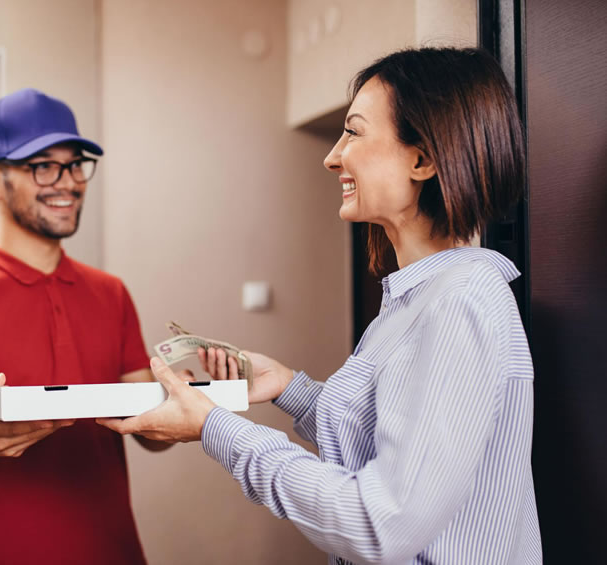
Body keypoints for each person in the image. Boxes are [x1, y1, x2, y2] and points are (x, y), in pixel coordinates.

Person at [99, 47, 542, 564]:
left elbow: (380, 524)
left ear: (422, 159)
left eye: (353, 131)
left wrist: (213, 427)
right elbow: (386, 442)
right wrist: (288, 387)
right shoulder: (415, 299)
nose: (333, 156)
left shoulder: (461, 302)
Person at [0, 88, 169, 565]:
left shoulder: (111, 293)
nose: (68, 182)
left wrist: (189, 392)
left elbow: (150, 432)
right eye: (43, 165)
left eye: (75, 163)